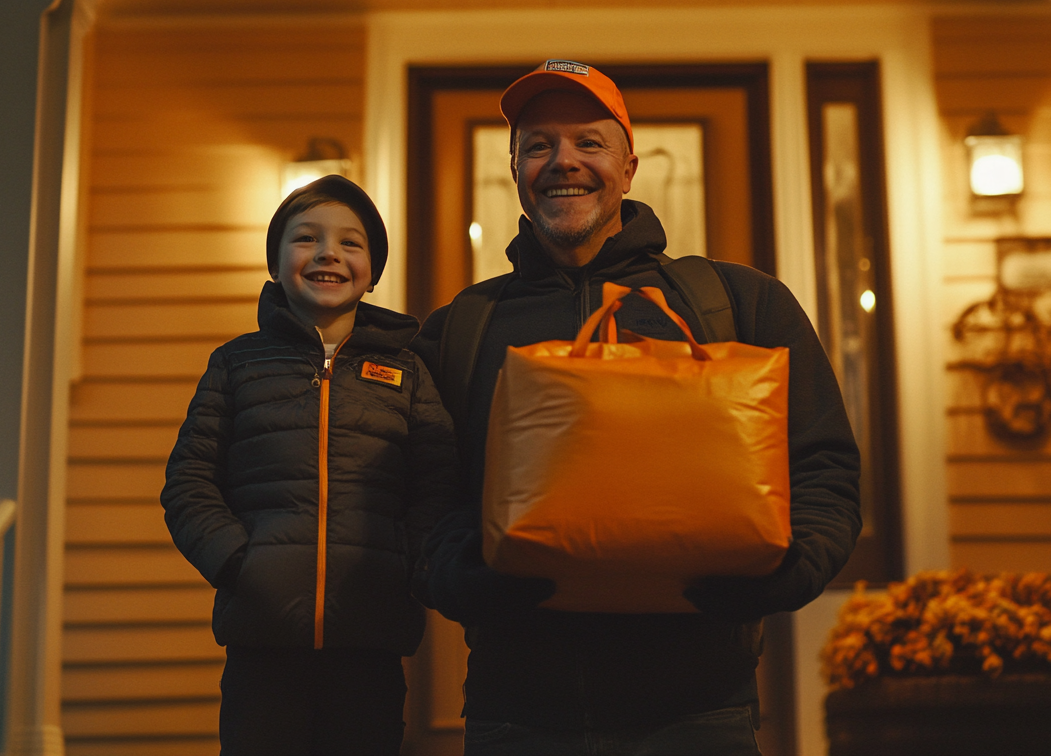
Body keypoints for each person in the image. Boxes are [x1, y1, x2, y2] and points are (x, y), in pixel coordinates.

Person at [411, 61, 863, 755]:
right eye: (538, 145)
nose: (563, 161)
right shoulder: (463, 328)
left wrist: (785, 571)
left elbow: (824, 467)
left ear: (628, 168)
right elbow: (418, 497)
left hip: (699, 712)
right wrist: (460, 576)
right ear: (515, 168)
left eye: (589, 143)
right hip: (518, 714)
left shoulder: (738, 303)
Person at [162, 175, 459, 756]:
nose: (328, 253)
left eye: (351, 243)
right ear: (275, 263)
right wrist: (239, 563)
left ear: (372, 272)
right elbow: (189, 483)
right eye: (306, 239)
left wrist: (410, 563)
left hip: (369, 637)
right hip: (262, 640)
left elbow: (437, 483)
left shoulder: (407, 372)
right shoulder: (236, 364)